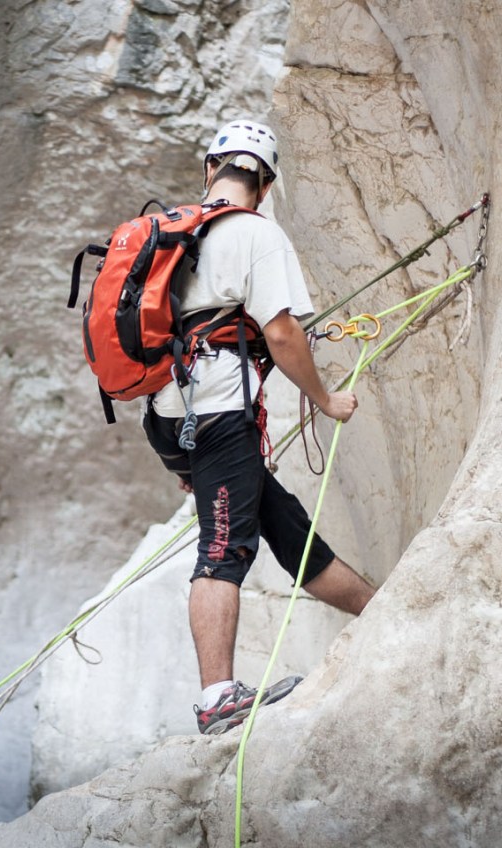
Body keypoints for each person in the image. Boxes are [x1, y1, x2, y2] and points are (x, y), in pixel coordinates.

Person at [141, 119, 376, 735]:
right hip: (220, 414)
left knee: (286, 525)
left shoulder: (176, 233)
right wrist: (325, 400)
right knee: (224, 551)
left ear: (209, 169)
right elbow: (281, 332)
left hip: (170, 419)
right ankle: (217, 698)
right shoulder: (256, 234)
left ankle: (381, 615)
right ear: (266, 185)